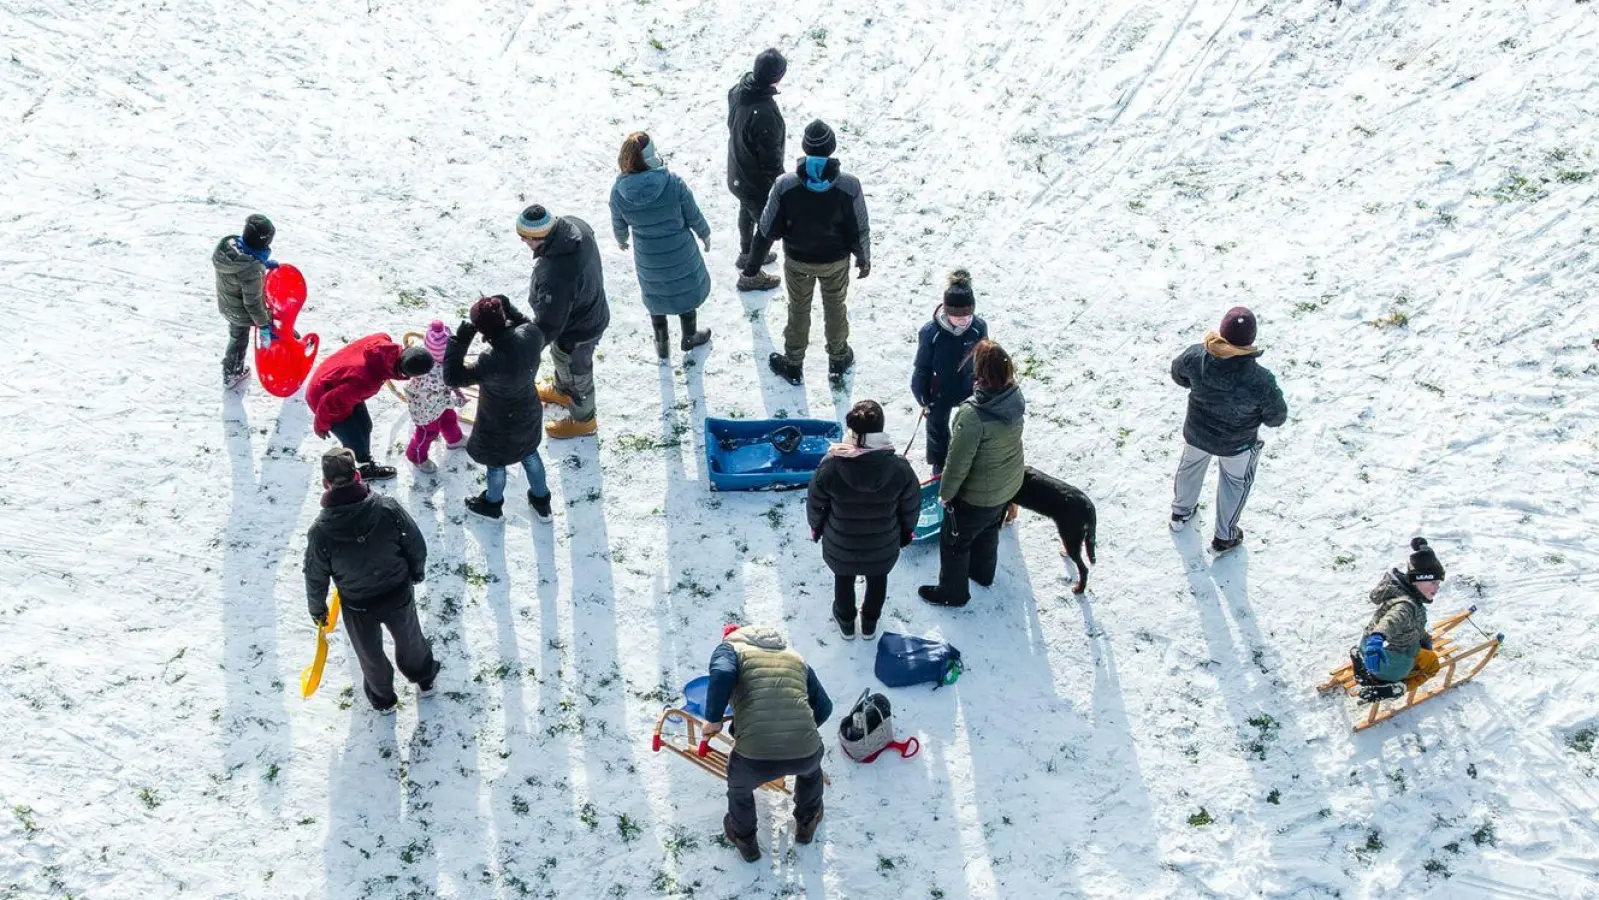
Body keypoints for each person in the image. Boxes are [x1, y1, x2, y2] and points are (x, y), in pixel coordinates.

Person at [304, 447, 439, 713]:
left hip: (357, 604)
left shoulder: (320, 533)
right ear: (357, 476)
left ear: (325, 484)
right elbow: (414, 542)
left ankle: (383, 699)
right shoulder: (387, 508)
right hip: (397, 592)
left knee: (369, 655)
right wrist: (417, 570)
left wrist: (318, 608)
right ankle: (425, 679)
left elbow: (315, 574)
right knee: (410, 639)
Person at [743, 119, 871, 386]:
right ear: (832, 147)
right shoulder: (850, 186)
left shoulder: (785, 185)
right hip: (835, 262)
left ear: (804, 147)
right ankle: (838, 360)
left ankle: (793, 364)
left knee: (798, 309)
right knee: (835, 307)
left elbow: (766, 228)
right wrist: (863, 258)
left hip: (798, 261)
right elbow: (859, 227)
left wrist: (753, 264)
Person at [701, 624, 832, 863]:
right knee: (811, 771)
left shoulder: (730, 648)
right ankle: (807, 822)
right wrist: (798, 732)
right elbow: (825, 708)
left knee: (739, 788)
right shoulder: (795, 658)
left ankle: (745, 840)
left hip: (754, 757)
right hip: (805, 750)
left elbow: (722, 673)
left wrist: (713, 718)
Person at [1168, 306, 1288, 553]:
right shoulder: (1261, 380)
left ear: (1222, 331)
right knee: (1235, 483)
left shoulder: (1196, 356)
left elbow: (1178, 375)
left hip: (1197, 432)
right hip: (1237, 445)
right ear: (1250, 340)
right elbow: (1276, 417)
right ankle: (1225, 537)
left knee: (1190, 468)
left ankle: (1180, 513)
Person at [919, 340, 1025, 608]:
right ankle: (982, 573)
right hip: (1006, 485)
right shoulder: (1014, 398)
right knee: (988, 529)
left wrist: (945, 494)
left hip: (977, 496)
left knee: (954, 542)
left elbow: (957, 463)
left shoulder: (972, 416)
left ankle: (952, 593)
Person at [806, 400, 920, 640]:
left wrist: (816, 527)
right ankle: (869, 623)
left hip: (841, 543)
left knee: (843, 578)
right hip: (883, 543)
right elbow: (910, 505)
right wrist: (907, 531)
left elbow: (816, 503)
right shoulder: (900, 468)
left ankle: (846, 622)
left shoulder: (831, 465)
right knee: (878, 579)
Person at [444, 295, 554, 522]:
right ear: (503, 317)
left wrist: (459, 342)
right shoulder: (531, 336)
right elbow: (525, 324)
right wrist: (508, 306)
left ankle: (492, 505)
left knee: (496, 465)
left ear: (482, 333)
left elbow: (453, 377)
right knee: (530, 454)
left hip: (498, 425)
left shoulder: (489, 360)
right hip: (528, 413)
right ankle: (542, 503)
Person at [608, 132, 714, 360]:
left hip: (648, 256)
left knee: (655, 295)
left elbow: (618, 222)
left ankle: (662, 343)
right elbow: (692, 213)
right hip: (681, 252)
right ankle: (689, 337)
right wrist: (704, 233)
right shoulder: (672, 183)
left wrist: (622, 239)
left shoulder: (619, 192)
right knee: (685, 291)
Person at [517, 205, 611, 439]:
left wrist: (528, 348)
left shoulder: (556, 274)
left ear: (538, 237)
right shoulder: (575, 225)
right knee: (562, 361)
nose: (522, 241)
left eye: (524, 237)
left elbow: (549, 323)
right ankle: (561, 391)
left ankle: (584, 421)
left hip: (578, 332)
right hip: (590, 308)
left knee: (578, 373)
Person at [305, 334, 435, 481]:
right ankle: (363, 468)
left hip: (337, 378)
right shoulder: (367, 382)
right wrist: (321, 425)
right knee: (354, 439)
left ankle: (362, 457)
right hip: (322, 395)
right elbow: (329, 402)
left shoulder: (383, 340)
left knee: (366, 426)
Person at [911, 269, 988, 474]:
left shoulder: (978, 328)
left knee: (972, 425)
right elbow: (922, 367)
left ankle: (971, 456)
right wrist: (922, 395)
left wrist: (984, 384)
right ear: (947, 312)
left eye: (968, 315)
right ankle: (939, 462)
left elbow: (984, 358)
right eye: (958, 317)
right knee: (937, 426)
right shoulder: (930, 333)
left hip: (968, 387)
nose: (964, 321)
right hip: (940, 389)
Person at [726, 47, 787, 291]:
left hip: (738, 170)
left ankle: (746, 253)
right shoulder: (765, 114)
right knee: (768, 225)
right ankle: (750, 273)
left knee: (746, 208)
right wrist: (783, 187)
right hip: (755, 181)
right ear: (777, 77)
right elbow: (771, 161)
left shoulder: (738, 90)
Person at [1358, 538, 1447, 690]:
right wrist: (1377, 638)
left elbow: (1409, 625)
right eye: (1433, 582)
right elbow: (1392, 620)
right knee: (1433, 665)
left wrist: (1424, 639)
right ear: (1417, 580)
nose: (1437, 588)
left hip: (1368, 650)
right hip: (1388, 665)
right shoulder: (1406, 606)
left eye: (1438, 583)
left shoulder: (1400, 592)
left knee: (1420, 649)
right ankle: (1396, 689)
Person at [212, 213, 279, 388]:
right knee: (265, 327)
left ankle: (231, 371)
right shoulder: (251, 271)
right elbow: (253, 304)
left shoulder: (227, 248)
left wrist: (261, 264)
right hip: (240, 312)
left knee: (236, 338)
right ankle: (232, 374)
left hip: (227, 303)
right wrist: (263, 326)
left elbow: (240, 266)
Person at [403, 321, 468, 474]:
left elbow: (447, 385)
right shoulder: (434, 375)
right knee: (428, 434)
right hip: (426, 412)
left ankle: (455, 439)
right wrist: (456, 401)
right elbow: (438, 399)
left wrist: (455, 391)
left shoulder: (428, 360)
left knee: (449, 418)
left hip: (438, 405)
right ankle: (416, 456)